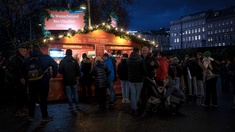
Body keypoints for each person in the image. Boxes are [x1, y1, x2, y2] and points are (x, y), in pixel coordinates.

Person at [22, 44, 58, 122]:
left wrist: (27, 78)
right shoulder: (46, 57)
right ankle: (44, 117)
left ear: (32, 50)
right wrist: (53, 75)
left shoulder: (27, 59)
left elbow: (23, 70)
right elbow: (55, 65)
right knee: (43, 99)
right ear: (40, 49)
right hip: (43, 82)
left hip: (32, 83)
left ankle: (31, 116)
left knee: (32, 99)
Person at [9, 45, 28, 117]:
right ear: (19, 50)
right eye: (24, 51)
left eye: (26, 51)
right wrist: (21, 77)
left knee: (22, 94)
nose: (25, 53)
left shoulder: (21, 58)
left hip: (20, 79)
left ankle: (22, 108)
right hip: (18, 80)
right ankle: (18, 111)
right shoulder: (17, 59)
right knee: (19, 95)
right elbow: (17, 69)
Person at [126, 47, 147, 115]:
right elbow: (144, 70)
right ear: (138, 52)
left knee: (133, 94)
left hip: (131, 79)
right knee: (137, 95)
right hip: (139, 80)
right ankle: (135, 109)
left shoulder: (128, 60)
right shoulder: (141, 60)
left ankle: (133, 108)